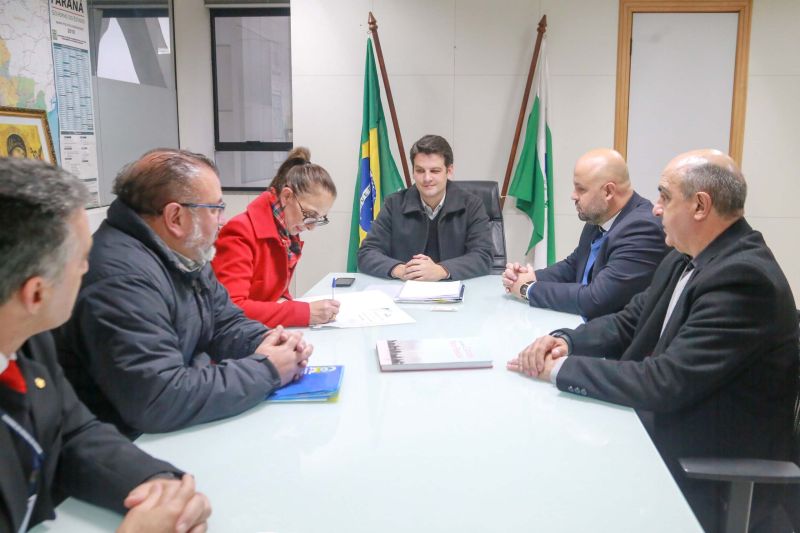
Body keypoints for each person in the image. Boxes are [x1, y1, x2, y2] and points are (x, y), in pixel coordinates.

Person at [508, 150, 799, 532]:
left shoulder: (743, 279)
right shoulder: (687, 255)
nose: (655, 209)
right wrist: (566, 342)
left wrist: (561, 370)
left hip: (704, 466)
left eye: (664, 196)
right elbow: (632, 320)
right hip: (665, 425)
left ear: (700, 205)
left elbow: (664, 381)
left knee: (550, 489)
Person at [0, 158, 211, 532]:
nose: (90, 267)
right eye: (82, 260)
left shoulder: (29, 341)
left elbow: (73, 433)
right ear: (36, 292)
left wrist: (154, 483)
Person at [56, 149, 313, 439]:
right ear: (175, 217)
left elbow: (224, 322)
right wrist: (267, 369)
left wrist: (268, 340)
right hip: (131, 443)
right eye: (215, 208)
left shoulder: (184, 252)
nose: (222, 220)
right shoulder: (119, 278)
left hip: (172, 426)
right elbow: (159, 397)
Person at [502, 149, 667, 319]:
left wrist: (528, 289)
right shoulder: (598, 218)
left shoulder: (643, 229)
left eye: (581, 189)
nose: (573, 196)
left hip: (617, 339)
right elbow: (573, 266)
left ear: (608, 192)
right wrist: (530, 277)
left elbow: (596, 299)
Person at [212, 147, 340, 327]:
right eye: (310, 214)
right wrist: (304, 312)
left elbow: (274, 294)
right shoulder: (240, 232)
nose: (311, 227)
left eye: (319, 219)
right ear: (287, 196)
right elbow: (232, 308)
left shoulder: (286, 232)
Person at [357, 134, 493, 281]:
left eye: (434, 171)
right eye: (420, 171)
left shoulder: (472, 205)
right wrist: (401, 270)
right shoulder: (393, 204)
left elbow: (483, 256)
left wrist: (441, 271)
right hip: (405, 293)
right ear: (413, 172)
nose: (427, 178)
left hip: (456, 293)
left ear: (449, 171)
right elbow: (366, 253)